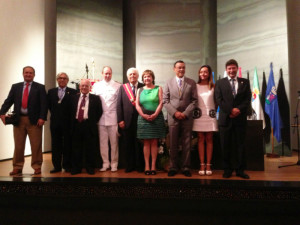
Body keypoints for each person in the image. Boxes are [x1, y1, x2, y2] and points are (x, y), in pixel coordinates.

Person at [0, 66, 48, 175]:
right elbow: (8, 101)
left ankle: (37, 166)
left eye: (30, 73)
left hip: (35, 121)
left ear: (34, 75)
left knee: (36, 145)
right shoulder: (15, 87)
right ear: (23, 74)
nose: (28, 74)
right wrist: (2, 112)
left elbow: (44, 104)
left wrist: (42, 118)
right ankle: (17, 166)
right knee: (18, 145)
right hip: (18, 120)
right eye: (26, 72)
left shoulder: (40, 87)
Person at [214, 59, 251, 179]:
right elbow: (219, 100)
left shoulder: (245, 82)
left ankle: (240, 170)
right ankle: (227, 170)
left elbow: (247, 99)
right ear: (226, 70)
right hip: (226, 119)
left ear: (237, 69)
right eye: (229, 68)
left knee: (240, 145)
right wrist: (231, 110)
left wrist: (238, 110)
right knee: (226, 145)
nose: (231, 70)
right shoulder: (220, 83)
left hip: (240, 119)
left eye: (233, 68)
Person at [163, 60, 198, 177]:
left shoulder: (191, 82)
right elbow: (165, 101)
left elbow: (194, 100)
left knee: (187, 143)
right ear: (174, 69)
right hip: (173, 118)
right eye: (179, 68)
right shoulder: (168, 82)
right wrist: (175, 113)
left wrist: (186, 113)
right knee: (172, 143)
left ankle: (186, 167)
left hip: (187, 118)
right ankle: (173, 167)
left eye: (183, 67)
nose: (181, 70)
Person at [136, 70, 165, 175]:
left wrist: (155, 114)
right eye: (144, 77)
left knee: (154, 142)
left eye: (148, 77)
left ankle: (153, 166)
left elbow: (161, 102)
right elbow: (137, 105)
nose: (146, 79)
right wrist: (143, 115)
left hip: (156, 118)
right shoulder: (139, 90)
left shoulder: (158, 88)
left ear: (152, 78)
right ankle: (147, 166)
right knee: (146, 143)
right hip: (143, 119)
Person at [70, 79, 102, 175]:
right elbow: (70, 112)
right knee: (76, 148)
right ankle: (76, 168)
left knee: (90, 148)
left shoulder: (95, 98)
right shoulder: (73, 98)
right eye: (82, 85)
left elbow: (99, 112)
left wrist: (92, 121)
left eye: (86, 86)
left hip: (89, 125)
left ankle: (90, 167)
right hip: (76, 125)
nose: (84, 87)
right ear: (79, 87)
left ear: (90, 87)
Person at [47, 72, 77, 173]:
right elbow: (49, 106)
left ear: (67, 81)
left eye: (64, 78)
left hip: (68, 124)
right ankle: (56, 166)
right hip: (55, 123)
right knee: (55, 145)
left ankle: (66, 165)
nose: (62, 80)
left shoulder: (73, 92)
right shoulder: (51, 92)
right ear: (57, 80)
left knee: (67, 145)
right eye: (60, 78)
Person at [92, 66, 121, 172]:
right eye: (105, 73)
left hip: (113, 117)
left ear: (111, 73)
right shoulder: (96, 85)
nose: (107, 75)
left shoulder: (118, 86)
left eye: (109, 73)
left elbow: (119, 103)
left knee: (114, 143)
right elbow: (94, 102)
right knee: (103, 143)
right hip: (101, 118)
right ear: (102, 73)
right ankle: (105, 163)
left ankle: (114, 163)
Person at [117, 67, 144, 172]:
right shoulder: (123, 87)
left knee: (140, 144)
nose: (132, 76)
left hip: (141, 120)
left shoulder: (143, 87)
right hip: (127, 121)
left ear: (137, 75)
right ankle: (130, 166)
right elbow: (119, 105)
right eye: (130, 74)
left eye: (134, 74)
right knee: (128, 145)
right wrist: (120, 120)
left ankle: (140, 166)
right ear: (127, 76)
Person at [192, 65, 218, 176]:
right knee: (201, 138)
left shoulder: (213, 86)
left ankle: (208, 164)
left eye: (205, 72)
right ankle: (202, 164)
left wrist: (213, 111)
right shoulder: (195, 86)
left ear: (209, 73)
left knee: (209, 138)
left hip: (210, 115)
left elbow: (217, 101)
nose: (203, 74)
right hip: (198, 115)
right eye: (201, 72)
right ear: (199, 73)